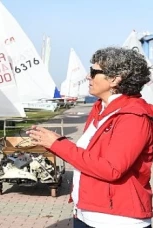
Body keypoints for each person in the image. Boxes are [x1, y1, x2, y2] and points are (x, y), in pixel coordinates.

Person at [27, 47, 153, 228]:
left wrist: (58, 145)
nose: (88, 76)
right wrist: (58, 142)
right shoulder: (100, 109)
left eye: (94, 72)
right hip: (87, 213)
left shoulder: (133, 117)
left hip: (117, 220)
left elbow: (111, 169)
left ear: (114, 79)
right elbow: (90, 156)